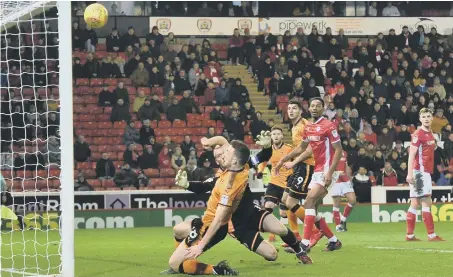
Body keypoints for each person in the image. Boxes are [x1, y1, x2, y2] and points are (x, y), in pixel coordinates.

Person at [163, 132, 308, 275]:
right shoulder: (225, 174)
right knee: (272, 255)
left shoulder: (236, 173)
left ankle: (300, 250)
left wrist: (267, 147)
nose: (220, 158)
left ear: (231, 157)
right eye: (217, 157)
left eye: (222, 154)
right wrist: (187, 184)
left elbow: (260, 156)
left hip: (250, 214)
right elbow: (203, 186)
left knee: (281, 229)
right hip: (238, 226)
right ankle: (179, 263)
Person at [275, 97, 344, 263]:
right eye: (312, 105)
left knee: (309, 201)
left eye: (318, 106)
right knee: (310, 204)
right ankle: (333, 240)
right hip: (317, 171)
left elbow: (339, 150)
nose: (314, 108)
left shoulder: (329, 125)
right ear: (309, 108)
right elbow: (301, 148)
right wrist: (285, 159)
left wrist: (330, 172)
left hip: (328, 170)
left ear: (323, 108)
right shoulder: (309, 127)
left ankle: (304, 243)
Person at [273, 100, 322, 252]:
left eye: (295, 108)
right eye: (289, 108)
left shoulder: (304, 126)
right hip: (299, 165)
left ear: (301, 111)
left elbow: (307, 149)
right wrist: (285, 160)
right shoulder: (295, 127)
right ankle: (296, 237)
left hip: (307, 165)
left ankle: (315, 231)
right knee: (285, 200)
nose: (291, 111)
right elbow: (298, 148)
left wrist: (288, 161)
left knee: (291, 202)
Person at [405, 108, 444, 242]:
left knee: (415, 202)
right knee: (426, 201)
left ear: (432, 118)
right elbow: (411, 155)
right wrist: (409, 174)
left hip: (424, 171)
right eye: (424, 116)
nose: (426, 118)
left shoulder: (430, 133)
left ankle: (410, 235)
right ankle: (431, 235)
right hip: (420, 172)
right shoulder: (418, 134)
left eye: (428, 116)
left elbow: (429, 149)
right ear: (420, 119)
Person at [256, 126, 300, 243]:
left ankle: (295, 232)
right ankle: (272, 234)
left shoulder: (289, 148)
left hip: (287, 183)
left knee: (284, 213)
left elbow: (297, 160)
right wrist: (260, 171)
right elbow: (263, 161)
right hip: (274, 182)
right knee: (268, 205)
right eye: (274, 134)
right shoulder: (268, 150)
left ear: (282, 136)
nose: (276, 136)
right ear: (271, 136)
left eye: (278, 134)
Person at [331, 150, 356, 232]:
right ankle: (338, 226)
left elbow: (346, 165)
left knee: (352, 200)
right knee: (336, 204)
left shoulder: (344, 152)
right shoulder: (329, 151)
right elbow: (326, 166)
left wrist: (350, 178)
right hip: (335, 180)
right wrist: (337, 173)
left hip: (345, 179)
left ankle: (343, 219)